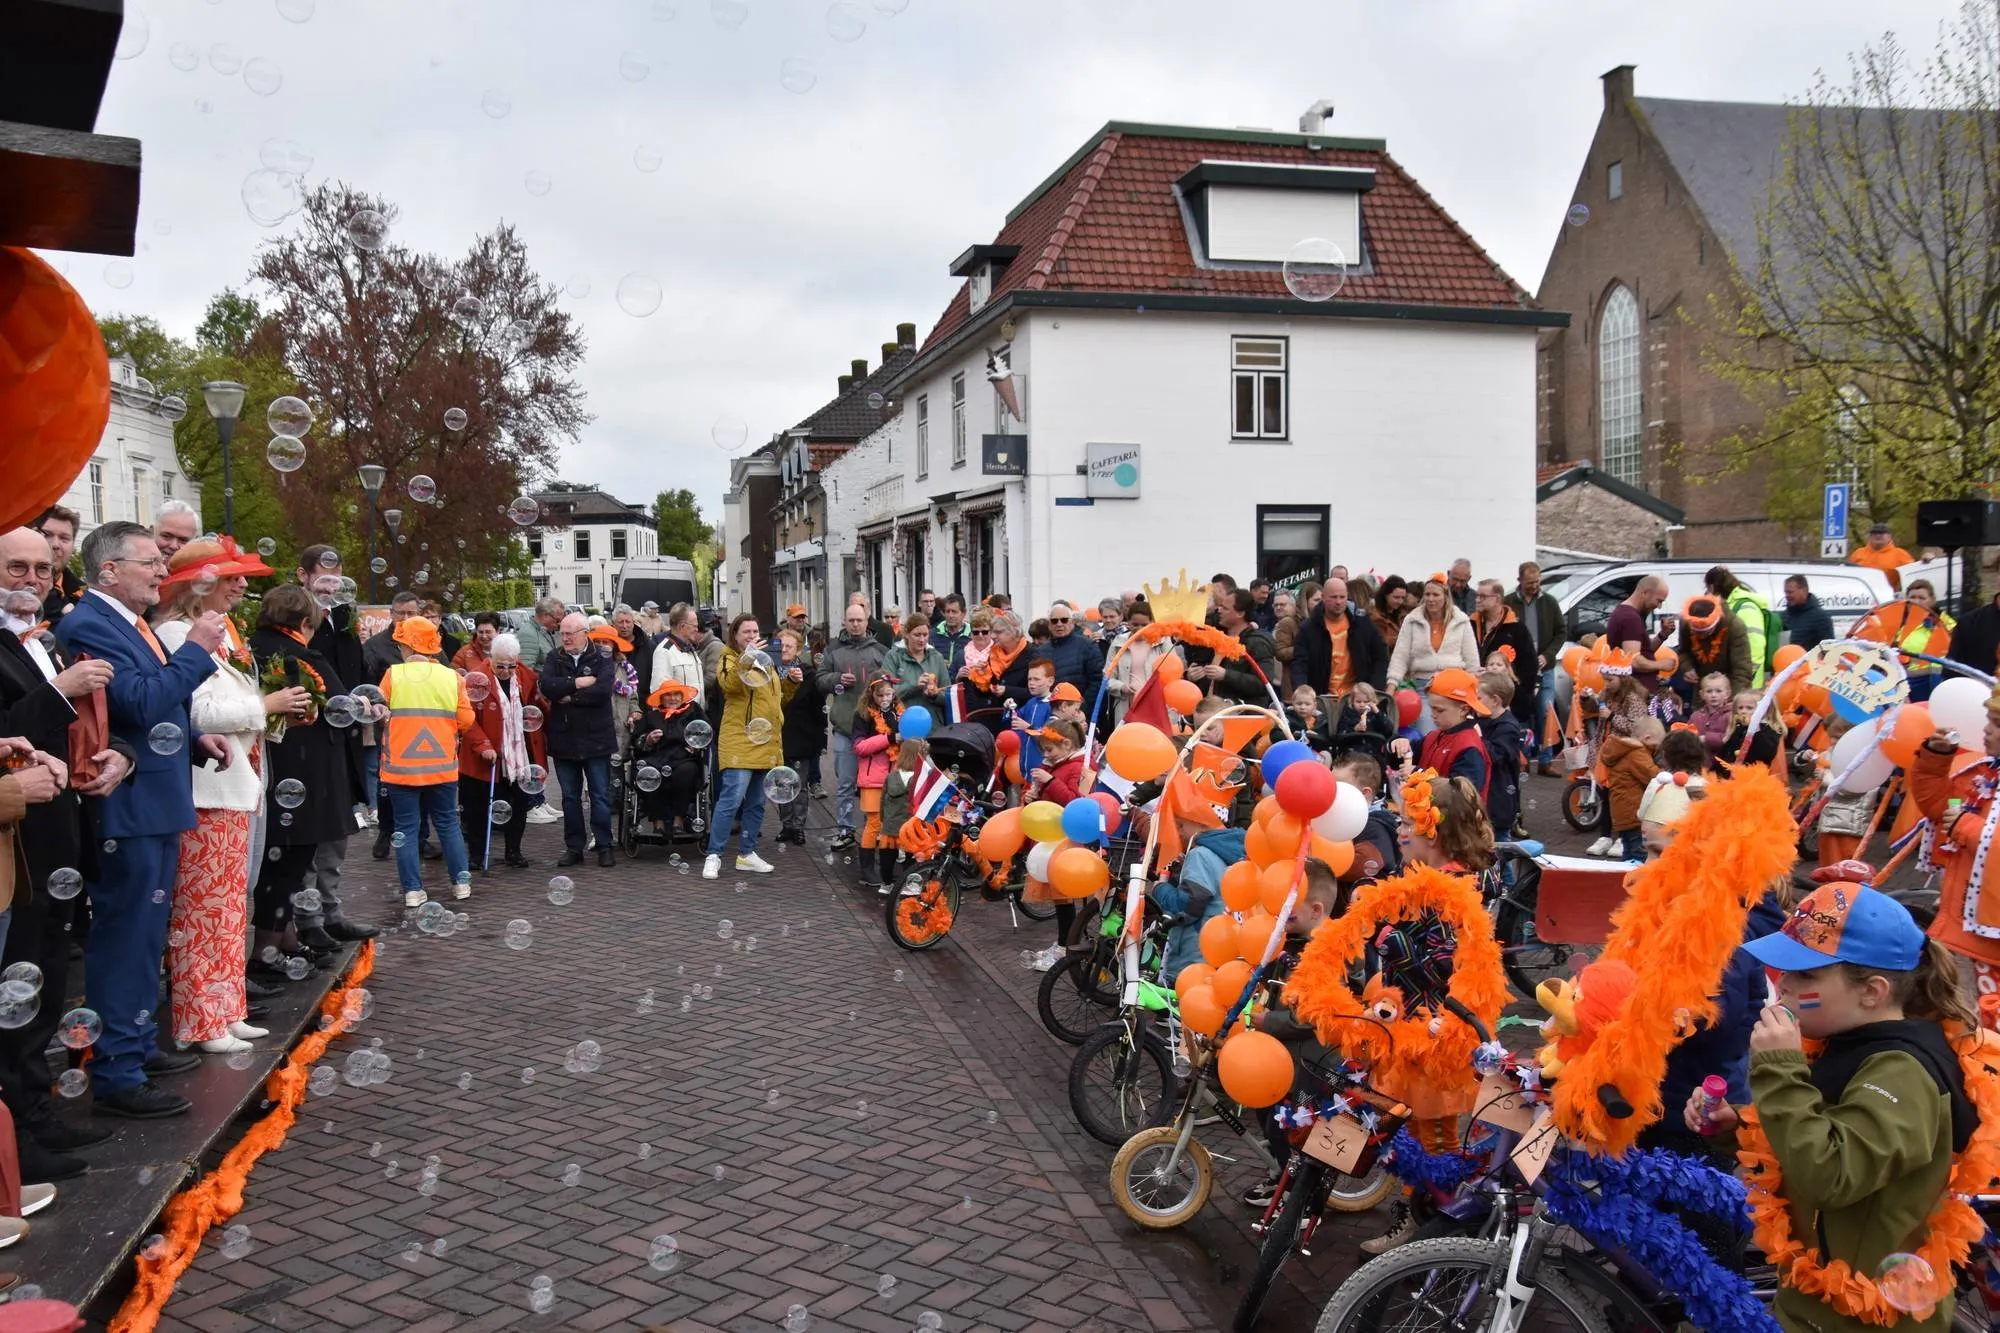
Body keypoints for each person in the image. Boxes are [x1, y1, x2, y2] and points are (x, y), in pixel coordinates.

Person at [1698, 883, 1978, 1333]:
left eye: (1805, 975)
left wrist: (1778, 1070)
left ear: (1872, 991)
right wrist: (1741, 1126)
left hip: (1866, 1318)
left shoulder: (1902, 1074)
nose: (1783, 984)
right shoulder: (1843, 1040)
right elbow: (1817, 1128)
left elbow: (1831, 1175)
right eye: (1784, 969)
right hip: (1816, 1304)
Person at [54, 521, 231, 1119]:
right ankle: (117, 1071)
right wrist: (197, 651)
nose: (163, 571)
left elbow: (149, 712)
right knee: (126, 941)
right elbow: (139, 701)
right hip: (127, 809)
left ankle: (130, 1043)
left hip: (153, 799)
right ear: (110, 571)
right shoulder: (88, 624)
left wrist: (192, 737)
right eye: (151, 561)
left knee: (146, 938)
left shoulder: (124, 624)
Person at [0, 529, 129, 1169]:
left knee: (44, 979)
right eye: (16, 567)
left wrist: (117, 754)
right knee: (18, 982)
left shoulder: (42, 639)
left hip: (58, 831)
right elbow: (8, 731)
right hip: (14, 845)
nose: (33, 578)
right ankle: (21, 1133)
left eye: (43, 568)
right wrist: (61, 690)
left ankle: (37, 1114)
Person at [154, 539, 296, 1055]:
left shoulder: (217, 634)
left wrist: (271, 714)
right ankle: (201, 1019)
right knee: (204, 911)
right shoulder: (177, 634)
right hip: (208, 793)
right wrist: (266, 704)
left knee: (229, 909)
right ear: (199, 582)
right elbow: (196, 713)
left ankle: (226, 1009)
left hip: (233, 790)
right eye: (231, 575)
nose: (242, 584)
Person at [377, 613, 475, 905]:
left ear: (407, 647)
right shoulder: (452, 677)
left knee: (406, 828)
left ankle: (412, 891)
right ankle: (461, 884)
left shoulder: (393, 675)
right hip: (442, 767)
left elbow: (378, 714)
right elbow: (467, 720)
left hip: (401, 769)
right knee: (447, 824)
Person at [703, 613, 794, 879]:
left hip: (765, 740)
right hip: (740, 739)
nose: (753, 636)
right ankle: (714, 854)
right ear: (735, 636)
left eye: (756, 632)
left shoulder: (768, 663)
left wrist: (791, 683)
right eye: (747, 632)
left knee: (756, 802)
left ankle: (747, 853)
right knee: (731, 799)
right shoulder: (729, 658)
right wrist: (749, 656)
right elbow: (730, 686)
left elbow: (775, 700)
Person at [460, 632, 544, 871]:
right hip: (485, 756)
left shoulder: (526, 675)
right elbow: (466, 719)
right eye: (501, 666)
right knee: (478, 807)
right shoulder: (477, 679)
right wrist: (483, 745)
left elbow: (537, 705)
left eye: (511, 665)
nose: (507, 671)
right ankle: (476, 854)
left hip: (518, 756)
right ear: (491, 659)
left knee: (518, 804)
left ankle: (513, 851)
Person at [540, 613, 619, 869]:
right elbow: (548, 687)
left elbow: (602, 691)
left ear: (585, 633)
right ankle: (574, 847)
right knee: (570, 797)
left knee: (600, 794)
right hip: (565, 738)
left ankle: (604, 845)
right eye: (562, 633)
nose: (565, 638)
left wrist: (570, 697)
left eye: (570, 633)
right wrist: (577, 682)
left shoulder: (603, 656)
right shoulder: (555, 657)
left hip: (597, 737)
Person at [818, 602, 888, 849]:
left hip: (874, 730)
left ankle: (878, 829)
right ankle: (845, 829)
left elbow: (890, 684)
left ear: (867, 621)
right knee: (845, 782)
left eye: (859, 620)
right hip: (845, 726)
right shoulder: (834, 649)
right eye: (851, 620)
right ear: (845, 622)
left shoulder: (880, 650)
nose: (856, 624)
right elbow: (820, 679)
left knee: (879, 783)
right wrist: (837, 679)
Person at [1025, 718, 1091, 969]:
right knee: (1059, 898)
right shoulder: (1055, 764)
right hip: (1051, 839)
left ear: (1066, 744)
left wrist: (1050, 781)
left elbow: (1075, 803)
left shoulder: (1079, 768)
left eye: (1050, 749)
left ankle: (1066, 945)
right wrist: (1031, 796)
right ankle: (1064, 942)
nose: (1046, 755)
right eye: (1043, 750)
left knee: (1064, 897)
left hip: (1068, 840)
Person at [1387, 576, 1480, 733]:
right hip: (1424, 687)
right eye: (1427, 595)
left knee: (1454, 735)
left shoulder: (1461, 620)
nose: (1431, 599)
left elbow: (1472, 660)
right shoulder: (1412, 620)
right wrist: (1391, 685)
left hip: (1454, 688)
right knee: (1427, 733)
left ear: (1445, 597)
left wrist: (1474, 691)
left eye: (1436, 595)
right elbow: (1399, 657)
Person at [1506, 561, 1565, 771]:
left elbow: (1561, 632)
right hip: (1518, 669)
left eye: (1537, 581)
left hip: (1544, 667)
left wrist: (1548, 656)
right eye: (1529, 582)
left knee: (1546, 711)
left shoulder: (1549, 602)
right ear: (1519, 581)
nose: (1534, 586)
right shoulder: (1508, 603)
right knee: (1519, 712)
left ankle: (1546, 760)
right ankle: (1521, 759)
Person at [1401, 667, 1491, 801]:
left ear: (1464, 709)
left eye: (1440, 710)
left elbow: (1462, 793)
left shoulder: (1469, 747)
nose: (1433, 715)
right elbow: (1406, 757)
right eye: (1432, 708)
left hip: (1456, 820)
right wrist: (1397, 744)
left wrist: (1418, 774)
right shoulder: (1433, 736)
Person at [1296, 576, 1390, 703]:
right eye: (1333, 597)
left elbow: (1381, 655)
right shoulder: (1309, 628)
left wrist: (1375, 688)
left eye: (1342, 597)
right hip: (1322, 699)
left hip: (1356, 699)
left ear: (1347, 596)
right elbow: (1299, 664)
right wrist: (1302, 692)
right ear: (1323, 597)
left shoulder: (1362, 622)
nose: (1338, 602)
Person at [851, 674, 901, 892]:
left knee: (891, 823)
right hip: (872, 778)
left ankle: (887, 869)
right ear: (872, 694)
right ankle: (867, 869)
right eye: (880, 694)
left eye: (889, 694)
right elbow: (860, 747)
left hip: (896, 778)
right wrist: (888, 739)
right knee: (873, 823)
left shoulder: (900, 713)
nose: (885, 698)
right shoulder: (863, 715)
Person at [1196, 589, 1280, 706]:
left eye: (1225, 608)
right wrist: (1193, 674)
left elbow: (1262, 683)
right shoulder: (1218, 638)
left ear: (1240, 613)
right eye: (1220, 606)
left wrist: (1226, 675)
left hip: (1242, 716)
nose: (1219, 610)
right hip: (1214, 712)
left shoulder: (1257, 642)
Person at [1473, 579, 1537, 728]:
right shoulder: (1470, 624)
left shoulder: (1516, 628)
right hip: (1478, 701)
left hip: (1510, 705)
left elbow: (1530, 666)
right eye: (1477, 595)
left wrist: (1515, 690)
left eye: (1483, 596)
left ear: (1497, 599)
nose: (1477, 600)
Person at [1600, 715, 1664, 861]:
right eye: (1655, 746)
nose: (1655, 750)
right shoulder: (1637, 753)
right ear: (1646, 738)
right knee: (1640, 852)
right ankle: (1636, 881)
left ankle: (1624, 877)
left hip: (1621, 811)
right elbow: (1652, 776)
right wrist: (1667, 775)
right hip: (1633, 812)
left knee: (1628, 849)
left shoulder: (1623, 750)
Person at [775, 628, 818, 846]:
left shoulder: (808, 673)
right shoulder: (770, 671)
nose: (784, 649)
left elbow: (815, 707)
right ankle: (786, 824)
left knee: (799, 784)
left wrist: (818, 740)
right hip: (778, 735)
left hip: (801, 735)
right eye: (781, 645)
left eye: (789, 646)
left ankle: (799, 826)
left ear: (799, 649)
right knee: (781, 782)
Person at [1105, 599, 1174, 725]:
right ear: (1128, 623)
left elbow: (1174, 674)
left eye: (1144, 625)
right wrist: (1122, 688)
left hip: (1156, 706)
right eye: (1135, 624)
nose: (1139, 629)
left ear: (1152, 623)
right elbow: (1107, 678)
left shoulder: (1163, 641)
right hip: (1127, 707)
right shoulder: (1118, 643)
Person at [1705, 566, 1773, 689]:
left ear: (1712, 587)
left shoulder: (1745, 606)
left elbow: (1755, 646)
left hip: (1748, 686)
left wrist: (1746, 678)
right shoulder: (1732, 605)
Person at [1477, 671, 1526, 839]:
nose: (1474, 704)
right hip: (1485, 801)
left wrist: (1478, 737)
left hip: (1500, 802)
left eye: (1479, 699)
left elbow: (1497, 755)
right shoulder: (1481, 720)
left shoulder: (1509, 727)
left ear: (1495, 700)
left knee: (1500, 851)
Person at [1607, 574, 1673, 697]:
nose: (1659, 607)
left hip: (1636, 692)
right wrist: (1661, 665)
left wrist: (1662, 635)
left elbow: (1644, 652)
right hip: (1635, 696)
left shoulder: (1631, 614)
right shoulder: (1630, 618)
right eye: (1659, 601)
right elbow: (1633, 661)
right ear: (1645, 593)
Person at [1676, 595, 1754, 695]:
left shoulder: (1735, 626)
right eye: (1695, 632)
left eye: (1704, 632)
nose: (1700, 636)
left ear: (1715, 624)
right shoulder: (1686, 622)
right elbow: (1683, 651)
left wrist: (1735, 701)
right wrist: (1688, 668)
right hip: (1702, 688)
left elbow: (1742, 670)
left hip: (1728, 687)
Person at [882, 617, 949, 726]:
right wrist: (914, 686)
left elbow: (948, 694)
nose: (922, 640)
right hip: (902, 724)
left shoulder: (937, 657)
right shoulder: (893, 657)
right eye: (917, 635)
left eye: (925, 635)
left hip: (933, 726)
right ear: (907, 634)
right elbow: (886, 693)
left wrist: (934, 694)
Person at [1038, 601, 1103, 697]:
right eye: (1054, 621)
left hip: (1080, 707)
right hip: (1050, 707)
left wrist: (1081, 708)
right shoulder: (1041, 651)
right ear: (1050, 626)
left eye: (1064, 620)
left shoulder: (1088, 646)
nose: (1059, 624)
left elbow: (1097, 681)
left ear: (1072, 623)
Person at [33, 506, 85, 623]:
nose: (55, 544)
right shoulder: (10, 590)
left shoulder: (87, 596)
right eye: (47, 534)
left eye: (64, 538)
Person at [1011, 659, 1056, 783]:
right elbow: (1015, 719)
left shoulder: (1053, 706)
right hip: (1026, 769)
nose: (1031, 683)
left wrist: (1029, 727)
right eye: (1029, 679)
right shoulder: (1031, 702)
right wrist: (1009, 708)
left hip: (1043, 771)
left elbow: (1051, 737)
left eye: (1036, 679)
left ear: (1050, 681)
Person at [1849, 520, 1914, 592]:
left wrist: (1926, 560)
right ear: (1870, 537)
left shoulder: (1900, 554)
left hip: (1888, 596)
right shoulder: (1858, 553)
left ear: (1889, 537)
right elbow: (1848, 574)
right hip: (1861, 595)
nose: (1878, 535)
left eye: (1882, 533)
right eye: (1875, 533)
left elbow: (1913, 574)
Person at [1688, 672, 1735, 761]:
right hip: (1699, 762)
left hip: (1722, 763)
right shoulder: (1695, 716)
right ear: (1702, 694)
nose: (1713, 695)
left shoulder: (1731, 716)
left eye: (1718, 691)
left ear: (1727, 694)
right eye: (1709, 691)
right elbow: (1688, 736)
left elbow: (1730, 738)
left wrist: (1706, 738)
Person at [1270, 585, 1309, 690]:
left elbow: (1281, 652)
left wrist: (1304, 649)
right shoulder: (1274, 625)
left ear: (1293, 605)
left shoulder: (1296, 623)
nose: (1278, 607)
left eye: (1282, 604)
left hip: (1288, 683)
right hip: (1276, 683)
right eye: (1276, 605)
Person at [1781, 575, 1835, 651]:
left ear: (1803, 590)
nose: (1787, 596)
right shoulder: (1784, 616)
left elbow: (1828, 650)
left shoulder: (1820, 617)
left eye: (1790, 592)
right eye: (1786, 592)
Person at [516, 595, 566, 672]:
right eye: (557, 620)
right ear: (545, 615)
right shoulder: (528, 634)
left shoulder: (543, 630)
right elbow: (526, 671)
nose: (559, 625)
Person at [452, 612, 501, 677]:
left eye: (488, 632)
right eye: (480, 632)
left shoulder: (506, 651)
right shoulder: (464, 653)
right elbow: (452, 676)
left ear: (497, 631)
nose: (484, 636)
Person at [933, 594, 972, 677]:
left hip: (963, 685)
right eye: (947, 611)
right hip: (938, 684)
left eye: (954, 612)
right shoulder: (933, 634)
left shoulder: (973, 636)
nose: (950, 616)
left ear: (963, 613)